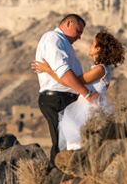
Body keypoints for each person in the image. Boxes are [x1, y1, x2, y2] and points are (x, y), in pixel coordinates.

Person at [33, 29, 126, 151]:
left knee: (76, 143)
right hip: (86, 106)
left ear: (98, 49)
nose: (89, 46)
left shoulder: (100, 69)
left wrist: (49, 70)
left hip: (86, 109)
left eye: (93, 44)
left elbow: (72, 82)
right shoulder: (102, 69)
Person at [34, 14, 97, 166]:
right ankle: (55, 182)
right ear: (68, 23)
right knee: (62, 146)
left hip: (65, 99)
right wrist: (86, 93)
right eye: (78, 30)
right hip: (58, 99)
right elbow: (63, 72)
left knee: (69, 144)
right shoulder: (54, 38)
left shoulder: (64, 43)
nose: (80, 36)